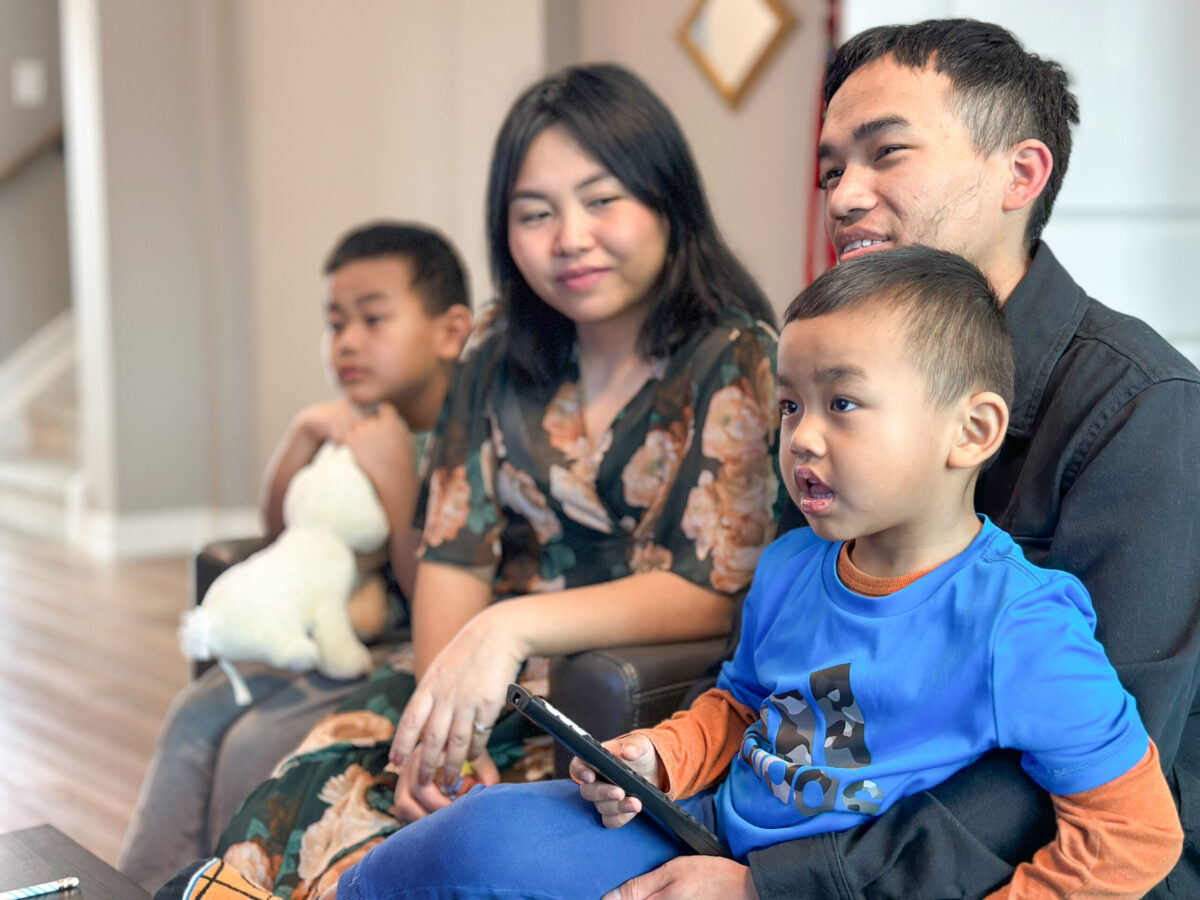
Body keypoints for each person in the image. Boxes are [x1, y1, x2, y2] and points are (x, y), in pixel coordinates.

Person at [269, 246, 1185, 900]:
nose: (803, 437)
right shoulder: (793, 568)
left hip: (823, 888)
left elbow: (1135, 835)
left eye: (845, 403)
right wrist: (657, 755)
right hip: (699, 834)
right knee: (478, 835)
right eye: (790, 405)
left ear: (973, 432)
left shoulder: (1020, 624)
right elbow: (743, 706)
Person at [157, 62, 784, 898]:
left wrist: (509, 630)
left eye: (603, 201)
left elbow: (718, 586)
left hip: (624, 721)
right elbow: (454, 553)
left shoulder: (736, 359)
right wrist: (445, 721)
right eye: (535, 213)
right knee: (303, 787)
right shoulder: (496, 356)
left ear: (667, 200)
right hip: (474, 689)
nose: (569, 237)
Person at [623, 18, 1199, 900]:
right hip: (805, 825)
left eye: (886, 154)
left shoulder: (1146, 410)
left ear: (1022, 173)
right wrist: (667, 769)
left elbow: (1080, 782)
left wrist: (777, 885)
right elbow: (788, 668)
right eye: (830, 171)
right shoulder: (825, 384)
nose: (845, 196)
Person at [119, 222, 473, 889]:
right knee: (196, 710)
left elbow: (432, 597)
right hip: (315, 629)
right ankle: (145, 886)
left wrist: (398, 484)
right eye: (335, 322)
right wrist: (298, 441)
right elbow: (284, 532)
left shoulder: (462, 439)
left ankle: (234, 887)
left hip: (393, 647)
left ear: (450, 332)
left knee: (255, 741)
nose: (347, 341)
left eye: (372, 320)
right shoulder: (357, 423)